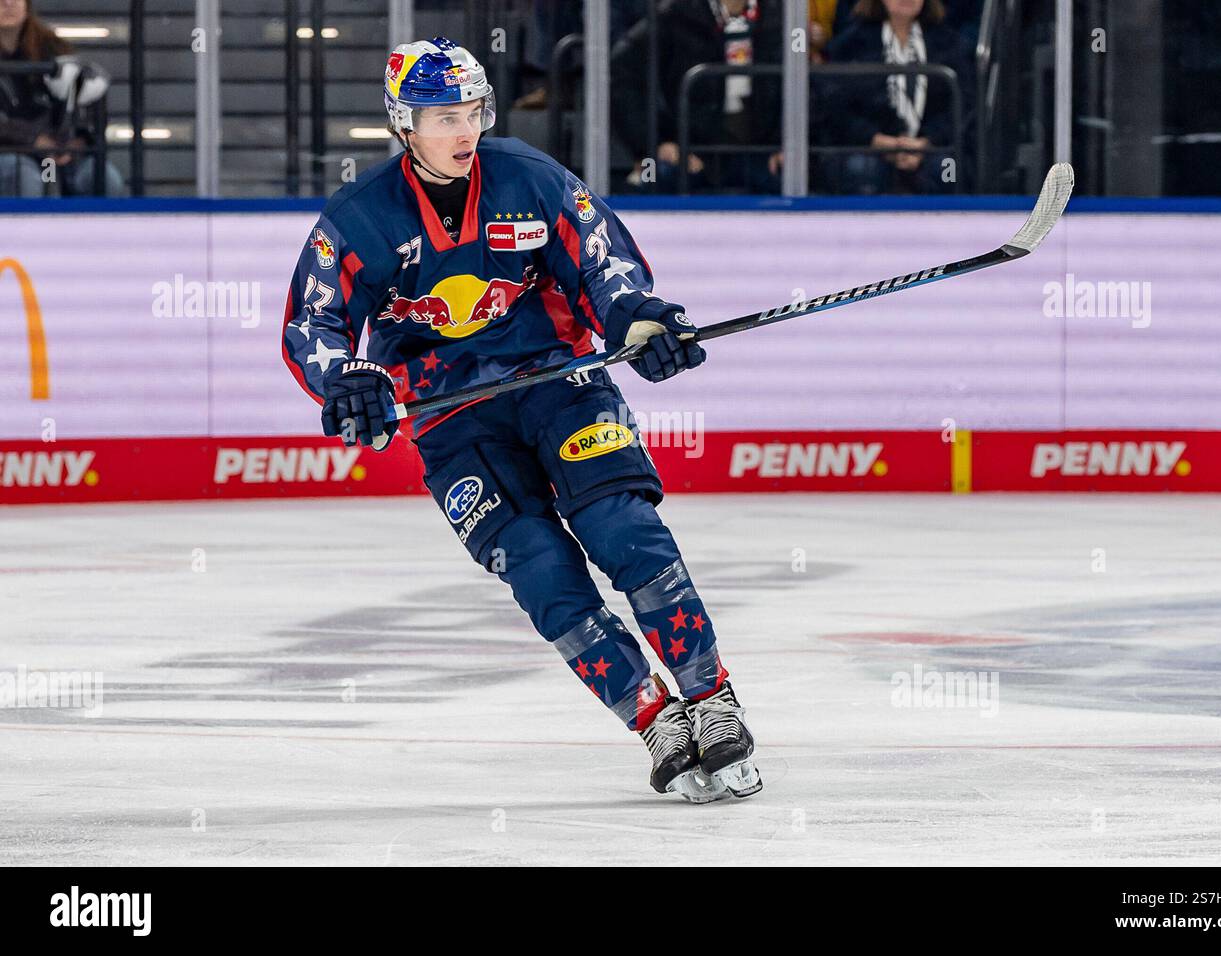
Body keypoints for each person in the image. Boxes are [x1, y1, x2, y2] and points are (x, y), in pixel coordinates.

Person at [282, 38, 762, 803]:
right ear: (404, 125)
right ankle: (654, 718)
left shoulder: (529, 177)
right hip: (454, 424)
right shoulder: (359, 217)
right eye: (444, 116)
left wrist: (637, 319)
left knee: (622, 530)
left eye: (472, 111)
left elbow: (601, 259)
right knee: (543, 574)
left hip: (559, 384)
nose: (464, 129)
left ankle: (710, 698)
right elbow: (314, 326)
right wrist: (347, 380)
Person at [609, 0, 783, 194]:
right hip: (691, 153)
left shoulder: (780, 15)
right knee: (657, 178)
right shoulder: (675, 14)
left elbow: (804, 80)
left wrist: (791, 144)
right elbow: (622, 74)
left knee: (804, 177)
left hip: (761, 153)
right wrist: (655, 143)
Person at [814, 0, 973, 194]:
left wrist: (927, 143)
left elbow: (963, 104)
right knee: (861, 169)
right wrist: (877, 140)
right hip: (867, 145)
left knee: (947, 168)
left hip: (931, 146)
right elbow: (836, 106)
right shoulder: (850, 45)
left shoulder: (951, 44)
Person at [0, 0, 123, 197]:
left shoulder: (54, 48)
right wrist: (35, 141)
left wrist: (77, 142)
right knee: (24, 178)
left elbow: (83, 98)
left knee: (106, 179)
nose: (8, 3)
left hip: (58, 153)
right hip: (10, 153)